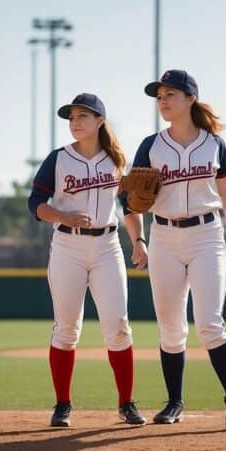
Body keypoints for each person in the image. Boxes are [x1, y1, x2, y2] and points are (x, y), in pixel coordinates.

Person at [122, 70, 226, 430]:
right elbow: (129, 203)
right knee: (170, 329)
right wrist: (138, 240)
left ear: (190, 99)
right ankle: (174, 403)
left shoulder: (213, 144)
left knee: (210, 324)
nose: (163, 100)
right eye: (159, 95)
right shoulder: (151, 146)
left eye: (170, 94)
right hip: (163, 238)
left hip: (207, 235)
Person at [28, 93, 145, 427]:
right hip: (68, 247)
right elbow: (35, 202)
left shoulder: (117, 160)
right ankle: (62, 404)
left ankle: (127, 403)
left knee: (119, 326)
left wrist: (138, 240)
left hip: (108, 246)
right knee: (66, 329)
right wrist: (60, 214)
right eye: (71, 117)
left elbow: (130, 206)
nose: (75, 122)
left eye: (82, 116)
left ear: (99, 121)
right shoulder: (58, 159)